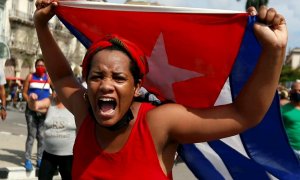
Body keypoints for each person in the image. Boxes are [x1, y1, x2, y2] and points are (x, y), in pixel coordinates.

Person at [34, 1, 287, 179]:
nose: (106, 84)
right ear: (87, 83)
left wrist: (274, 52)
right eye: (97, 76)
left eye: (119, 78)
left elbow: (244, 114)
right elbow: (62, 76)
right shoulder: (84, 113)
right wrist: (42, 26)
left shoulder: (159, 123)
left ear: (136, 88)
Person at [28, 90, 76, 179]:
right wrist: (32, 99)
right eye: (55, 89)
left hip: (69, 155)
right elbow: (34, 106)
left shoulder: (74, 104)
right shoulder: (50, 101)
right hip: (49, 154)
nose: (57, 91)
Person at [22, 58, 52, 171]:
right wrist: (29, 98)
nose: (40, 67)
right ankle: (28, 159)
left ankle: (40, 159)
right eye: (38, 65)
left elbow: (55, 91)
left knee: (42, 136)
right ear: (35, 66)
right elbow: (24, 92)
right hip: (31, 111)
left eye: (42, 65)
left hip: (44, 111)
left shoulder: (48, 78)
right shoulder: (30, 77)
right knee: (31, 136)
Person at [281, 81, 300, 161]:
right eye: (295, 91)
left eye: (299, 91)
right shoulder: (282, 110)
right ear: (290, 92)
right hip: (291, 150)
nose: (297, 93)